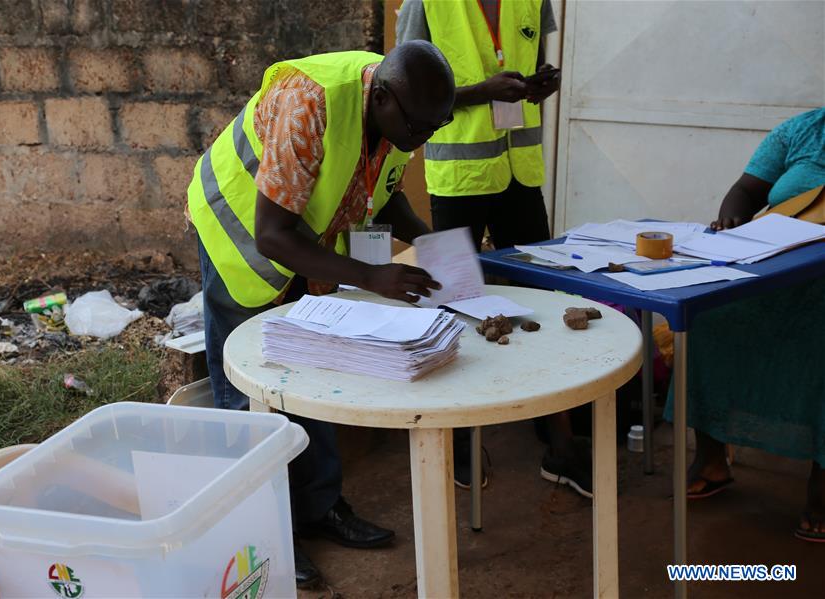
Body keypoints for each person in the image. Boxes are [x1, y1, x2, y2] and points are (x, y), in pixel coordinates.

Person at [187, 41, 457, 585]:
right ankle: (264, 532)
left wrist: (435, 245)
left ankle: (320, 507)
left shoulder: (399, 112)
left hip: (300, 237)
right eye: (419, 130)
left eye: (434, 129)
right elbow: (271, 235)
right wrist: (373, 277)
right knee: (250, 392)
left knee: (315, 371)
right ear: (381, 98)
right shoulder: (310, 104)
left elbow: (385, 196)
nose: (422, 141)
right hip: (241, 233)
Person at [396, 0, 593, 498]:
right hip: (457, 179)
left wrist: (538, 87)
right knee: (454, 306)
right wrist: (481, 92)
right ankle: (460, 440)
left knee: (544, 302)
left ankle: (560, 444)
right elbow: (404, 91)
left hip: (521, 174)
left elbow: (529, 73)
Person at [666, 107, 825, 542]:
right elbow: (745, 190)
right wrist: (732, 220)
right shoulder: (802, 130)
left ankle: (823, 480)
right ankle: (713, 456)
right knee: (711, 314)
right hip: (775, 268)